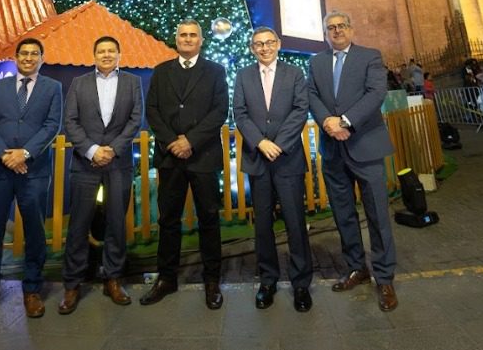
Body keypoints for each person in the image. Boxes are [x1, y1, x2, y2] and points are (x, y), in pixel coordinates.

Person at [0, 37, 63, 324]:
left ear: (41, 58)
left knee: (34, 231)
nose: (29, 58)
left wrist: (25, 154)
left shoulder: (53, 88)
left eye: (35, 54)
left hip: (33, 170)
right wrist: (4, 155)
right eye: (24, 53)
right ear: (16, 57)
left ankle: (32, 289)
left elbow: (51, 125)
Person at [307, 11, 399, 312]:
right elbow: (311, 96)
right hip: (333, 149)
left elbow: (376, 93)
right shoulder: (316, 62)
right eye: (330, 28)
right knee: (344, 215)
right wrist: (328, 123)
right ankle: (356, 269)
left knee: (377, 215)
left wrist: (345, 121)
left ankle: (384, 277)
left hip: (365, 146)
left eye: (341, 26)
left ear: (351, 28)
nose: (336, 31)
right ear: (325, 33)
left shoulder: (370, 56)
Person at [139, 19, 229, 311]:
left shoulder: (215, 71)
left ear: (201, 41)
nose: (188, 39)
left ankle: (212, 280)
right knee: (168, 220)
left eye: (193, 35)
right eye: (183, 35)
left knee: (209, 219)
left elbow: (219, 111)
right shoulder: (161, 71)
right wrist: (171, 142)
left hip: (202, 156)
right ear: (176, 39)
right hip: (169, 157)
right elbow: (151, 110)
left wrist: (190, 140)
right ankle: (167, 278)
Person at [57, 35, 144, 315]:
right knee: (79, 225)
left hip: (118, 163)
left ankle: (114, 279)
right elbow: (69, 121)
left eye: (111, 51)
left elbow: (135, 119)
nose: (106, 55)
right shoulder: (79, 83)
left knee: (116, 223)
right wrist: (92, 150)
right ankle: (72, 284)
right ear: (94, 55)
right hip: (85, 163)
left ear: (119, 54)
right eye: (101, 51)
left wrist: (113, 149)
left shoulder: (133, 82)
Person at [231, 26, 314, 312]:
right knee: (263, 225)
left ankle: (301, 283)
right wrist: (260, 143)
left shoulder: (294, 73)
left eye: (269, 43)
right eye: (258, 44)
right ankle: (268, 281)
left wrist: (277, 143)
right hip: (258, 159)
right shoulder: (243, 76)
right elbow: (239, 113)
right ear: (252, 48)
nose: (264, 48)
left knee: (295, 223)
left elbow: (300, 110)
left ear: (278, 44)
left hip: (287, 158)